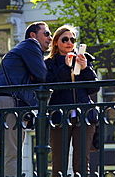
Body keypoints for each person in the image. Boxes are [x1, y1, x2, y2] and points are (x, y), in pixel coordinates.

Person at [0, 21, 52, 177]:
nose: (50, 38)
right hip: (9, 102)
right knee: (12, 152)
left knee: (10, 151)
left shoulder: (23, 50)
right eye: (46, 33)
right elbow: (42, 75)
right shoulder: (31, 45)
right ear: (33, 35)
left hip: (5, 102)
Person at [45, 25, 99, 177]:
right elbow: (51, 87)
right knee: (58, 163)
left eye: (72, 39)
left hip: (84, 116)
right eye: (65, 39)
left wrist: (86, 68)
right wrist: (65, 66)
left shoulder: (84, 59)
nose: (69, 42)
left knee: (82, 163)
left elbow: (94, 89)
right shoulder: (49, 63)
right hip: (60, 116)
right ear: (56, 42)